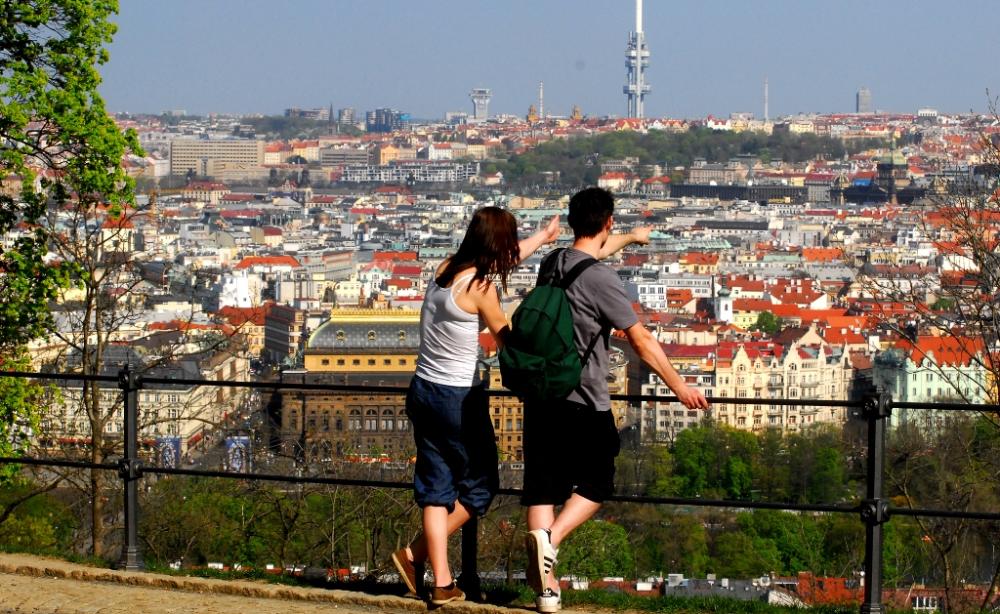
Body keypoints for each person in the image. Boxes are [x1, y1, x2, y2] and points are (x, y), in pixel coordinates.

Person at [391, 206, 650, 606]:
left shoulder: (445, 270)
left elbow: (505, 259)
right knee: (480, 488)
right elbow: (511, 341)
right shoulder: (482, 289)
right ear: (498, 244)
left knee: (435, 485)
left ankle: (438, 578)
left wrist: (543, 240)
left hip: (423, 388)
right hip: (457, 398)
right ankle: (417, 555)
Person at [521, 187, 710, 613]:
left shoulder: (552, 264)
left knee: (543, 488)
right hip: (583, 395)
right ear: (608, 222)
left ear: (571, 222)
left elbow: (591, 253)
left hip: (541, 392)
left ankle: (547, 591)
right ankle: (550, 541)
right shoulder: (603, 279)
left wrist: (631, 238)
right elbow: (641, 341)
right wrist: (678, 386)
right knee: (597, 481)